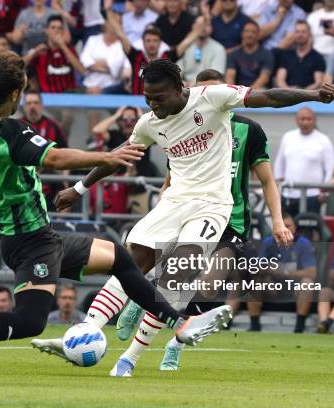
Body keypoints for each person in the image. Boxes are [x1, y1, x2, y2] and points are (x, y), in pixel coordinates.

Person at [0, 51, 228, 385]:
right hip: (28, 240)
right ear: (16, 94)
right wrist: (106, 157)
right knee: (31, 320)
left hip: (34, 236)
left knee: (120, 258)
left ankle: (180, 323)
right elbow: (55, 158)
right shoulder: (11, 134)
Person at [32, 60, 334, 377]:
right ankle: (85, 331)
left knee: (177, 274)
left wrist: (314, 94)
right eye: (147, 98)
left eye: (159, 97)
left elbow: (271, 97)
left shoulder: (212, 98)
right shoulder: (149, 123)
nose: (153, 104)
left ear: (180, 89)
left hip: (212, 205)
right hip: (175, 201)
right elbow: (117, 157)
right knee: (129, 262)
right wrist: (80, 188)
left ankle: (129, 359)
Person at [115, 69, 295, 372]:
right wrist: (164, 208)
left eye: (213, 92)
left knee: (207, 287)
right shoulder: (182, 123)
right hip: (189, 212)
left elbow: (267, 180)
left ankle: (173, 341)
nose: (206, 100)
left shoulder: (250, 130)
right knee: (174, 280)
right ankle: (145, 305)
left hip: (230, 220)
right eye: (201, 93)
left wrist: (278, 221)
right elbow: (173, 177)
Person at [247, 211, 317, 333]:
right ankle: (254, 326)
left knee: (307, 283)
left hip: (295, 287)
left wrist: (284, 272)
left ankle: (299, 328)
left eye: (288, 226)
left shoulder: (303, 243)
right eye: (282, 226)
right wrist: (268, 269)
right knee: (254, 282)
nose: (284, 230)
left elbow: (312, 273)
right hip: (273, 287)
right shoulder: (268, 242)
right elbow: (257, 269)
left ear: (294, 228)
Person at [274, 107, 334, 215]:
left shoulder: (323, 140)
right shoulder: (288, 137)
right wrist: (278, 188)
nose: (305, 122)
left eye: (309, 119)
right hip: (288, 194)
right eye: (302, 119)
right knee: (287, 230)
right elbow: (279, 164)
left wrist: (324, 193)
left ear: (314, 120)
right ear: (296, 120)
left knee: (309, 230)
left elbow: (331, 169)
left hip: (313, 196)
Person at [24, 14, 84, 93]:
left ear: (63, 31)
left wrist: (63, 46)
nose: (56, 30)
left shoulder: (69, 49)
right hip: (47, 99)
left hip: (69, 98)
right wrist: (34, 53)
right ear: (46, 31)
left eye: (60, 28)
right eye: (53, 27)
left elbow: (82, 71)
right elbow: (19, 65)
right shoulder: (40, 49)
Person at [80, 17, 130, 94]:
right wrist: (107, 67)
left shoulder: (124, 45)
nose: (116, 26)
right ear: (105, 24)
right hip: (88, 85)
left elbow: (116, 67)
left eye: (119, 23)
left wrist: (93, 66)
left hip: (111, 88)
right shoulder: (92, 40)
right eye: (113, 22)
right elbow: (84, 62)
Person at [275, 20, 326, 89]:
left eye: (303, 32)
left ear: (309, 34)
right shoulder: (286, 55)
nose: (300, 35)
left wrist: (301, 93)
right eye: (297, 32)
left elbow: (318, 83)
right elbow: (280, 80)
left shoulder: (318, 57)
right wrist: (289, 92)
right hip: (287, 96)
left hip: (309, 97)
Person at [177, 16, 227, 85]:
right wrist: (181, 83)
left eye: (207, 25)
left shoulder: (219, 49)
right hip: (184, 86)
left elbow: (215, 77)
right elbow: (177, 71)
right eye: (200, 25)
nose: (203, 27)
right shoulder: (185, 46)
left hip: (207, 87)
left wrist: (193, 85)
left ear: (212, 28)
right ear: (193, 26)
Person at [226, 20, 274, 89]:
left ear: (258, 35)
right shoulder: (233, 54)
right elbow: (230, 76)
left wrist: (248, 94)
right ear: (242, 34)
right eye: (247, 31)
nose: (249, 35)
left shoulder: (267, 54)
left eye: (253, 32)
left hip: (259, 91)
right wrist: (234, 93)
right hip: (238, 91)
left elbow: (264, 78)